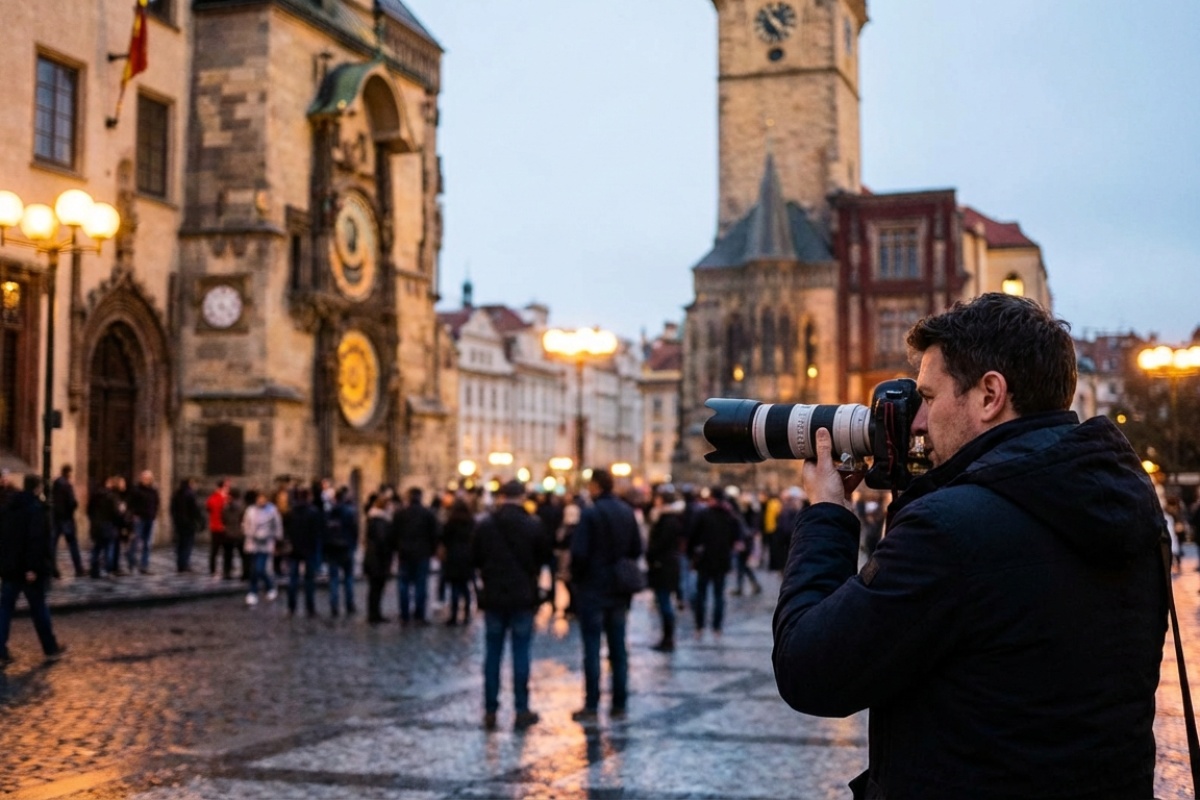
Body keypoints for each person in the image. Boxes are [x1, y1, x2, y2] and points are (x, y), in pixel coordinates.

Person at [772, 293, 1167, 800]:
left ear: (989, 395)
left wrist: (827, 512)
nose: (918, 421)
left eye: (929, 397)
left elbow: (809, 669)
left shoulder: (951, 529)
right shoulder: (1127, 505)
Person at [471, 479, 549, 731]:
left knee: (492, 655)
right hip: (522, 596)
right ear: (522, 496)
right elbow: (543, 559)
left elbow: (475, 559)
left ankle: (490, 709)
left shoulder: (485, 525)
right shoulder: (532, 525)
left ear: (502, 496)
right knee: (521, 653)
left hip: (494, 596)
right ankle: (521, 708)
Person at [569, 468, 643, 721]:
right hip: (619, 588)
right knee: (618, 648)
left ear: (595, 486)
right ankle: (619, 702)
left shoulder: (590, 513)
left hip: (593, 587)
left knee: (592, 648)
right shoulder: (626, 511)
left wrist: (578, 579)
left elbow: (579, 553)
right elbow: (637, 548)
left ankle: (592, 704)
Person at [0, 475, 67, 665]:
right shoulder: (36, 509)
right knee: (38, 608)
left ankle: (0, 651)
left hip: (10, 568)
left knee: (5, 609)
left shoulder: (9, 507)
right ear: (37, 488)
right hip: (28, 570)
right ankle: (50, 648)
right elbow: (35, 541)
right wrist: (32, 567)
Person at [688, 486, 740, 636]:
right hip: (722, 560)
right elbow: (736, 538)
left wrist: (692, 554)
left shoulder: (703, 514)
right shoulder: (729, 515)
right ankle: (717, 627)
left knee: (702, 595)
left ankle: (700, 626)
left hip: (705, 560)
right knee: (718, 595)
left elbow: (693, 536)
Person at [392, 487, 440, 625]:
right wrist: (432, 551)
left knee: (404, 585)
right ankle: (419, 615)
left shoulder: (400, 514)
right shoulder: (427, 514)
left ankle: (405, 615)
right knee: (421, 585)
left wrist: (397, 549)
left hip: (405, 553)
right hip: (422, 554)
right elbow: (434, 534)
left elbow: (393, 534)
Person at [646, 484, 684, 652]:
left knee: (664, 602)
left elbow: (660, 543)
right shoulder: (668, 518)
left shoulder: (667, 520)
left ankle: (668, 637)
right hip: (667, 564)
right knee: (664, 602)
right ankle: (667, 637)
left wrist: (651, 555)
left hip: (664, 565)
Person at [283, 486, 322, 616]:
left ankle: (291, 607)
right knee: (309, 580)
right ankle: (310, 608)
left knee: (293, 579)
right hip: (309, 549)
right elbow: (316, 532)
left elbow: (286, 531)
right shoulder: (313, 512)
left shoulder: (291, 512)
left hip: (294, 549)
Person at [242, 489, 282, 606]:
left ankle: (261, 589)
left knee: (259, 568)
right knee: (254, 569)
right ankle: (257, 591)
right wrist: (249, 533)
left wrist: (276, 539)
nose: (261, 500)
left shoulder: (272, 510)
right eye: (259, 498)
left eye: (263, 498)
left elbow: (277, 526)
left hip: (266, 543)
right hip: (253, 542)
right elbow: (246, 524)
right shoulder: (250, 510)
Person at [439, 497, 476, 625]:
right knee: (465, 587)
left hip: (453, 556)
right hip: (468, 557)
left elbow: (444, 539)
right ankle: (467, 614)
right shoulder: (471, 522)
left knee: (455, 587)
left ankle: (454, 615)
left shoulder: (450, 523)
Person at [324, 486, 358, 617]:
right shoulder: (350, 511)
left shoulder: (329, 512)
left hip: (333, 548)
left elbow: (325, 531)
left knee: (334, 579)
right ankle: (349, 604)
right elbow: (354, 530)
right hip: (346, 547)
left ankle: (334, 606)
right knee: (348, 578)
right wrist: (353, 545)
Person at [363, 492, 394, 624]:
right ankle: (374, 615)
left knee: (374, 588)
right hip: (378, 560)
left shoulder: (373, 519)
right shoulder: (380, 521)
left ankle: (374, 613)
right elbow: (382, 541)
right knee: (376, 588)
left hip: (373, 558)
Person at [51, 464, 85, 578]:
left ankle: (53, 568)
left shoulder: (55, 484)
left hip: (56, 518)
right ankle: (78, 568)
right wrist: (73, 506)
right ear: (69, 473)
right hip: (66, 519)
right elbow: (72, 502)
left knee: (53, 545)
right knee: (73, 544)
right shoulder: (67, 485)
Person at [87, 476, 122, 579]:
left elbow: (89, 510)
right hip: (108, 524)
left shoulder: (95, 495)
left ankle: (94, 570)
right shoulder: (111, 496)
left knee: (96, 548)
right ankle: (108, 571)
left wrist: (93, 520)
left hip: (96, 525)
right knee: (109, 548)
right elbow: (116, 513)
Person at [127, 470, 160, 575]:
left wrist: (154, 514)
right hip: (139, 518)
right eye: (144, 477)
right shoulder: (136, 490)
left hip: (150, 518)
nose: (145, 479)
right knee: (135, 542)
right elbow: (130, 504)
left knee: (147, 544)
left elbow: (156, 503)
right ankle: (131, 563)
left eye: (148, 478)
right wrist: (134, 515)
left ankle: (144, 566)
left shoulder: (153, 490)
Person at [169, 477, 204, 573]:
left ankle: (180, 564)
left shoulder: (177, 494)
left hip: (179, 522)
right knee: (187, 544)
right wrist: (200, 520)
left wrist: (175, 519)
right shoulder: (190, 494)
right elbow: (195, 509)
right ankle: (185, 564)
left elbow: (172, 509)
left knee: (180, 544)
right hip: (188, 523)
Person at [206, 479, 232, 579]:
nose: (228, 489)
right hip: (218, 527)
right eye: (227, 487)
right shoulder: (217, 498)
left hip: (224, 528)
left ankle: (225, 570)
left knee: (226, 550)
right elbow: (210, 508)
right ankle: (214, 569)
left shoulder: (226, 497)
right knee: (216, 550)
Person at [220, 486, 246, 580]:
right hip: (239, 533)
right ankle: (246, 573)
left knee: (228, 555)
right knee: (243, 555)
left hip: (228, 533)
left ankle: (226, 572)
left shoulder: (226, 507)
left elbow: (223, 519)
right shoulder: (242, 507)